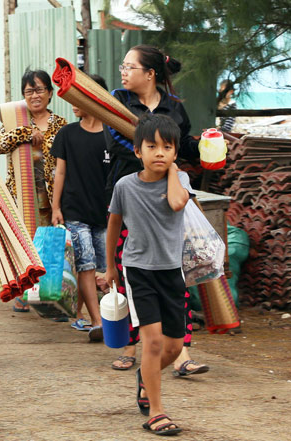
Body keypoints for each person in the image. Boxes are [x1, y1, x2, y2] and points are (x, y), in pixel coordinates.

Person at [106, 44, 207, 374]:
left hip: (168, 199)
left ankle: (181, 353)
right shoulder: (117, 100)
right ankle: (131, 346)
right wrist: (152, 151)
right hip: (131, 195)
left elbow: (183, 144)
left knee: (176, 275)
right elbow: (117, 143)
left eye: (129, 66)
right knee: (129, 275)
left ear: (149, 74)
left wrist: (203, 145)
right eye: (122, 66)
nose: (123, 72)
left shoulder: (174, 106)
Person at [105, 113, 191, 435]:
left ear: (174, 153)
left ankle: (146, 376)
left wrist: (173, 170)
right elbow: (114, 223)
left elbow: (176, 202)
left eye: (167, 147)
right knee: (153, 343)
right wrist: (111, 266)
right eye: (151, 146)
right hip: (139, 271)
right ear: (138, 151)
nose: (159, 152)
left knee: (173, 345)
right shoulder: (125, 186)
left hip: (171, 272)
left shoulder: (179, 182)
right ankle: (156, 411)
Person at [0, 69, 67, 312]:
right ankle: (23, 293)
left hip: (53, 197)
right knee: (25, 244)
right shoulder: (17, 122)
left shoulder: (60, 125)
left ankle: (50, 296)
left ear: (50, 93)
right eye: (29, 91)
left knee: (50, 245)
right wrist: (24, 134)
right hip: (22, 197)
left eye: (40, 89)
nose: (35, 95)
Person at [51, 74, 110, 342]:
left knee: (109, 267)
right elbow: (59, 173)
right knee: (85, 262)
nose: (72, 103)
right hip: (74, 210)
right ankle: (97, 322)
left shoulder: (113, 135)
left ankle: (114, 317)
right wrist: (56, 208)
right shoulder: (67, 134)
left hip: (107, 213)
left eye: (78, 97)